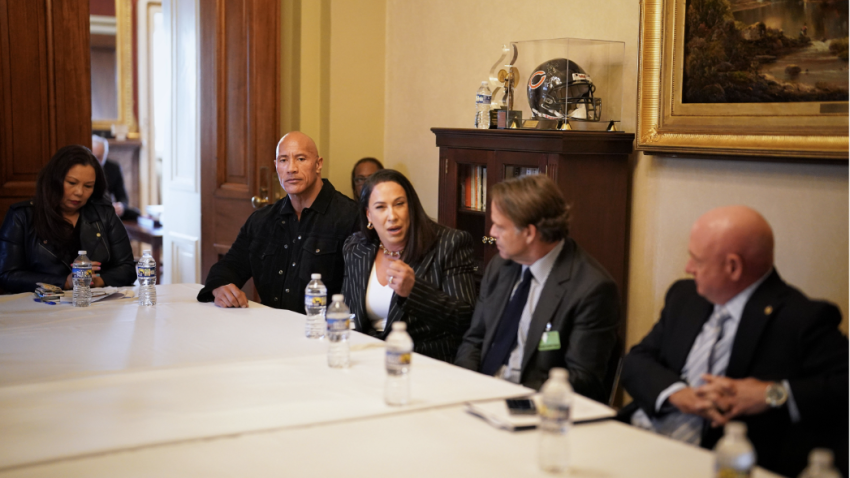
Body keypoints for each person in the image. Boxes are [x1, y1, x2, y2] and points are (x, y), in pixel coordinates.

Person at [620, 206, 848, 478]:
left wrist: (771, 394)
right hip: (639, 438)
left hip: (716, 460)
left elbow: (841, 386)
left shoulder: (801, 318)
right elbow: (636, 360)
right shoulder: (685, 297)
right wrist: (677, 395)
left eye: (697, 260)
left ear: (733, 267)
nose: (688, 268)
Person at [455, 174, 620, 402]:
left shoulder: (591, 289)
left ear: (529, 233)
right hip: (480, 397)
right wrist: (467, 386)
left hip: (536, 407)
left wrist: (514, 399)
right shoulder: (500, 266)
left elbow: (583, 380)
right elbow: (474, 340)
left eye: (500, 226)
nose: (492, 233)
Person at [197, 131, 359, 310]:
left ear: (318, 164)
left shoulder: (349, 217)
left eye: (301, 159)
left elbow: (359, 293)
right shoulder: (261, 221)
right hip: (270, 329)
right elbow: (229, 267)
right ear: (276, 166)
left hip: (323, 331)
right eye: (283, 160)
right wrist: (220, 287)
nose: (291, 168)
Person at [342, 169, 476, 363]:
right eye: (381, 207)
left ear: (411, 207)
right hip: (368, 359)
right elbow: (350, 314)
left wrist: (414, 291)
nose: (392, 216)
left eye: (399, 204)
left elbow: (465, 318)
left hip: (424, 360)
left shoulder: (449, 244)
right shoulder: (355, 248)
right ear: (368, 215)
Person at [0, 145, 136, 293]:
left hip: (96, 306)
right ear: (54, 179)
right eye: (72, 183)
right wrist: (65, 282)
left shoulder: (104, 214)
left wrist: (96, 281)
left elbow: (127, 269)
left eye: (88, 186)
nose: (79, 192)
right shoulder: (21, 216)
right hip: (41, 309)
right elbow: (7, 276)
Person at [91, 134, 132, 220]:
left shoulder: (114, 168)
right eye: (93, 156)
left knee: (135, 214)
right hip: (91, 211)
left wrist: (121, 206)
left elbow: (123, 197)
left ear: (105, 155)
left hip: (108, 211)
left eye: (99, 157)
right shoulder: (83, 169)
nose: (96, 161)